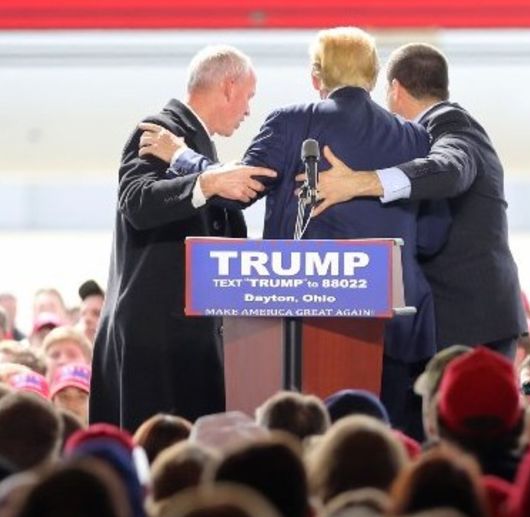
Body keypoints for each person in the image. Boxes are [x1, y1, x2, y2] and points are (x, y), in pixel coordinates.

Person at [139, 29, 449, 438]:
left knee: (295, 440)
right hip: (391, 327)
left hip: (297, 332)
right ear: (373, 77)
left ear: (317, 77)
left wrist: (181, 157)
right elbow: (433, 231)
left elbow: (239, 191)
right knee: (379, 443)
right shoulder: (415, 137)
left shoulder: (290, 122)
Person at [90, 45, 275, 432]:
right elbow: (137, 202)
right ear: (228, 86)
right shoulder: (159, 129)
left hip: (180, 334)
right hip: (156, 337)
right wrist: (206, 181)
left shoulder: (192, 143)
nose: (248, 110)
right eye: (249, 96)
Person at [307, 42, 527, 359]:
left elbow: (450, 170)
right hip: (462, 319)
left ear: (395, 88)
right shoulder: (435, 126)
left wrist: (360, 183)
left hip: (468, 323)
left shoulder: (451, 123)